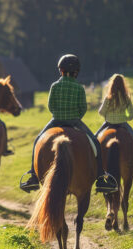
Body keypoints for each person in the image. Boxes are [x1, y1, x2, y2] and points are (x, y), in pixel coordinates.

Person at [19, 54, 117, 193]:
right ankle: (101, 177)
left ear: (61, 70)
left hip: (56, 120)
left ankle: (33, 177)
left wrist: (58, 114)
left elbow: (50, 106)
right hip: (74, 121)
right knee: (95, 142)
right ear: (76, 72)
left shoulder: (54, 86)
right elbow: (83, 108)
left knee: (37, 141)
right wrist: (75, 117)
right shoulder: (79, 88)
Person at [95, 74, 133, 182]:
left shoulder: (108, 98)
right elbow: (132, 115)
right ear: (123, 85)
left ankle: (96, 171)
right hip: (123, 124)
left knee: (94, 141)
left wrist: (108, 116)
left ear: (111, 85)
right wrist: (123, 117)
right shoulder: (126, 98)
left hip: (108, 124)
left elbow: (101, 112)